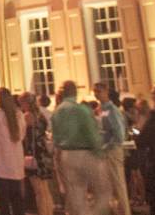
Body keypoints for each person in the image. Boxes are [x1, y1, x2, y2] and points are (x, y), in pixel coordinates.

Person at [50, 81, 105, 215]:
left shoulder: (57, 111)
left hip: (65, 154)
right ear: (75, 92)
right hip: (83, 152)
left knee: (73, 192)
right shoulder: (81, 110)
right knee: (90, 192)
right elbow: (92, 134)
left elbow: (55, 137)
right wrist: (99, 153)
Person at [93, 83, 130, 215]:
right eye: (95, 91)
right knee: (110, 186)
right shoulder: (103, 109)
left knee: (118, 184)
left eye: (99, 91)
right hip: (107, 150)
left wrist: (106, 145)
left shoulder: (111, 110)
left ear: (106, 91)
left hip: (112, 150)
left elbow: (119, 134)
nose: (96, 94)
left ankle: (124, 211)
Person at [20, 93, 54, 215]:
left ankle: (44, 212)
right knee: (44, 188)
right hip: (42, 152)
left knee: (38, 190)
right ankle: (49, 211)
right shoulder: (40, 115)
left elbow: (21, 135)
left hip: (33, 154)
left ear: (26, 103)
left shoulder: (27, 116)